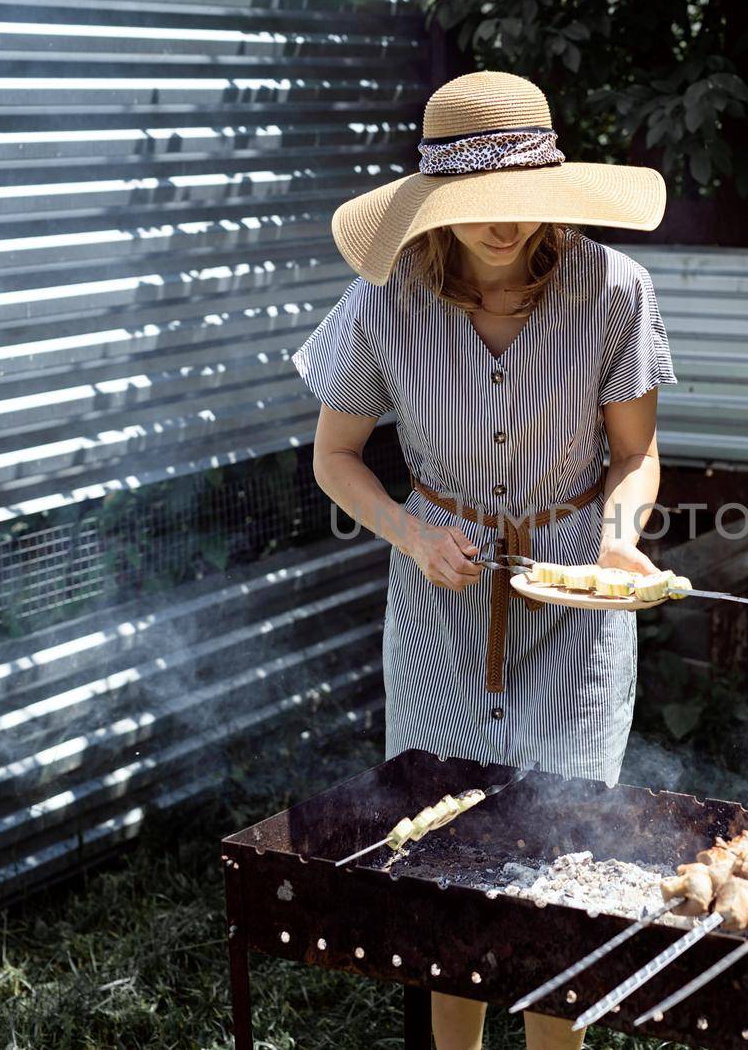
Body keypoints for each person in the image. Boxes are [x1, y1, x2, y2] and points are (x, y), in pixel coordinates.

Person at [290, 69, 675, 1050]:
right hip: (436, 604)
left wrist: (621, 541)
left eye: (523, 201)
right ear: (435, 206)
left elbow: (634, 453)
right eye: (478, 206)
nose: (505, 225)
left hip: (576, 608)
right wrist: (413, 533)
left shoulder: (614, 291)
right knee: (443, 857)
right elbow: (335, 459)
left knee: (560, 867)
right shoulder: (384, 302)